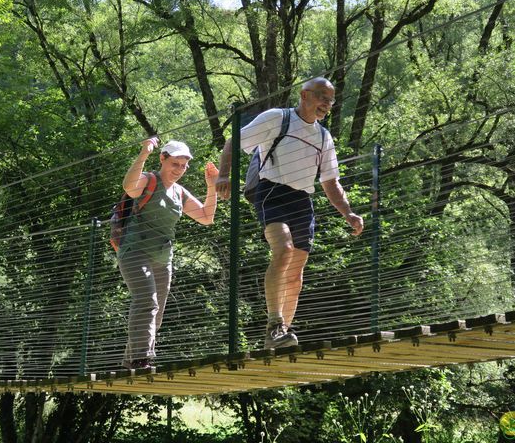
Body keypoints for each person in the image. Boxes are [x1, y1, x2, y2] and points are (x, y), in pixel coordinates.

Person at [216, 77, 364, 349]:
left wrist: (349, 214)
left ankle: (283, 336)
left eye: (330, 101)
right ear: (304, 95)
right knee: (282, 250)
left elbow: (331, 183)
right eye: (322, 97)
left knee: (296, 274)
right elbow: (231, 141)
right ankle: (274, 326)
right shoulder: (277, 118)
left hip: (302, 201)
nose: (326, 104)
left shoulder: (323, 136)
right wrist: (223, 176)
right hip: (271, 192)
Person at [119, 138, 219, 369]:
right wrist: (143, 153)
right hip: (135, 251)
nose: (179, 170)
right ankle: (141, 359)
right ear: (162, 159)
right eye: (175, 164)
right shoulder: (149, 181)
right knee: (147, 301)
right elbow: (128, 186)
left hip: (163, 258)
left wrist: (211, 185)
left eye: (184, 166)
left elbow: (206, 217)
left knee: (157, 314)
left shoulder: (179, 193)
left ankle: (128, 361)